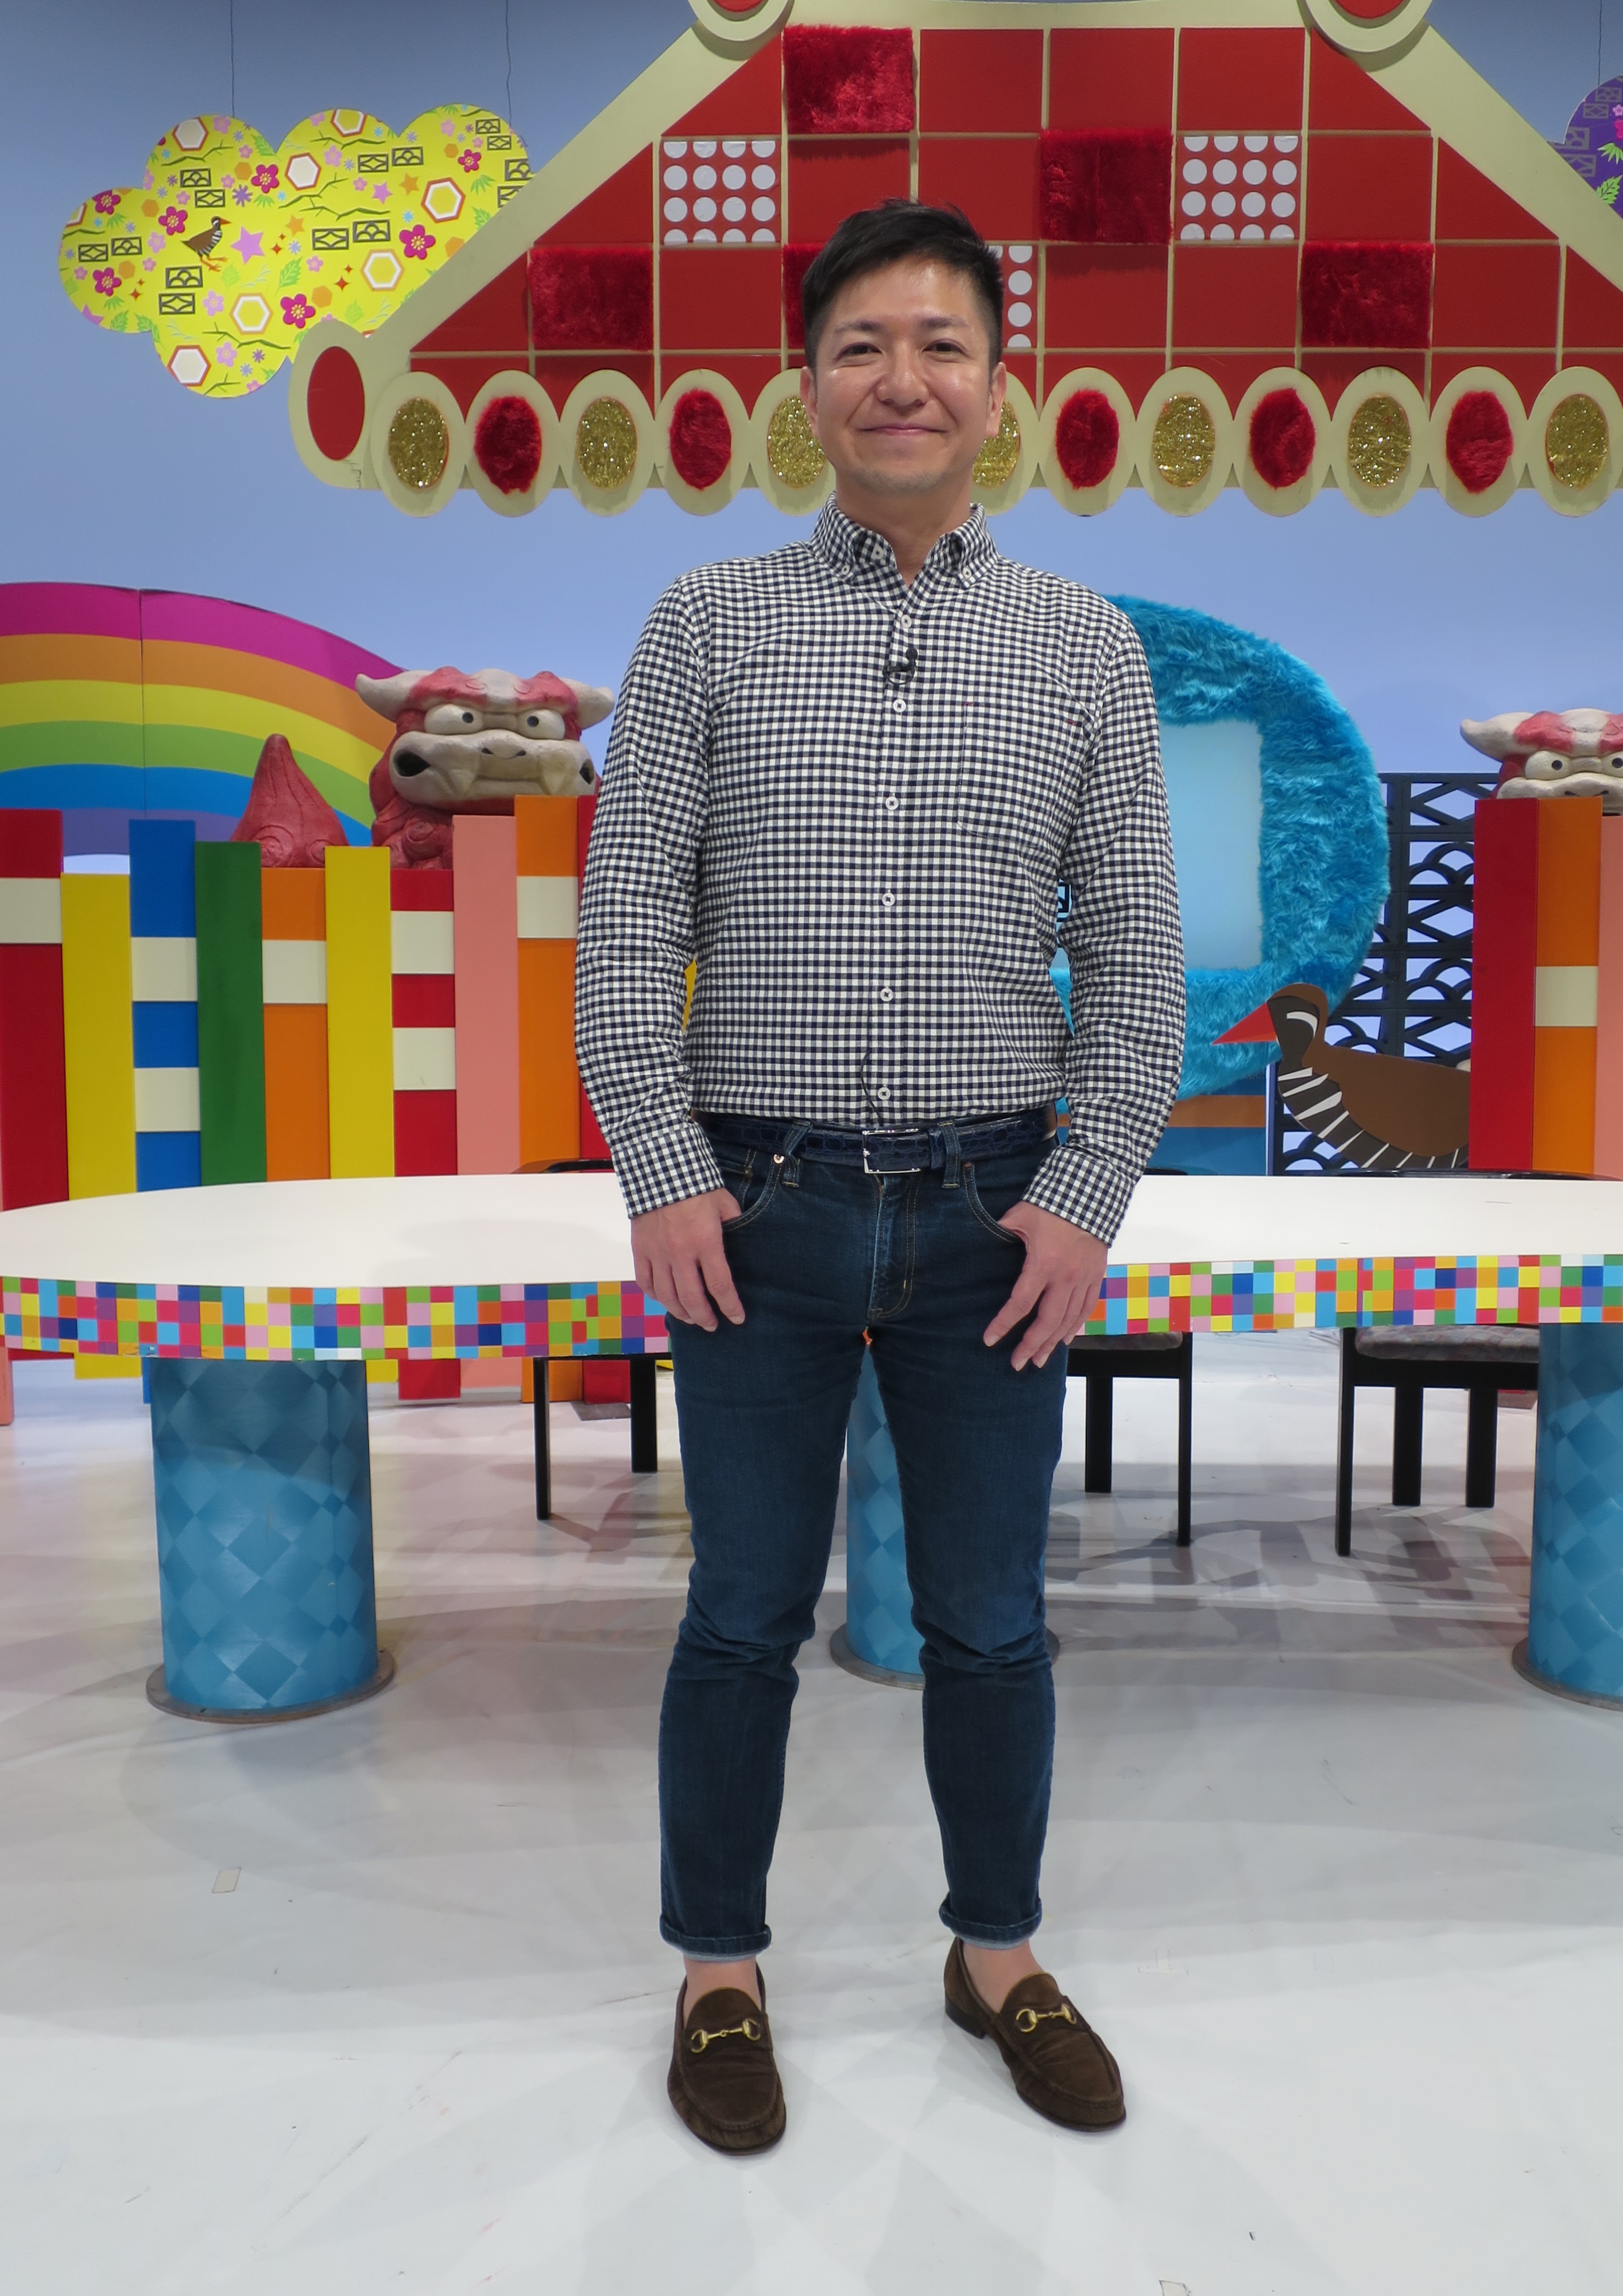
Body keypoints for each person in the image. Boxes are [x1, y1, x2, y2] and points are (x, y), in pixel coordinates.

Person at [575, 200, 1183, 2154]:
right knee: (741, 1611)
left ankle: (996, 1955)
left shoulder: (1084, 647)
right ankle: (718, 1972)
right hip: (755, 1207)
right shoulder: (706, 623)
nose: (900, 379)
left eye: (940, 345)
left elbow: (1139, 952)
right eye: (860, 345)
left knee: (990, 1617)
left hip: (996, 1212)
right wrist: (663, 1164)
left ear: (1003, 387)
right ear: (808, 383)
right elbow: (625, 927)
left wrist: (1088, 1188)